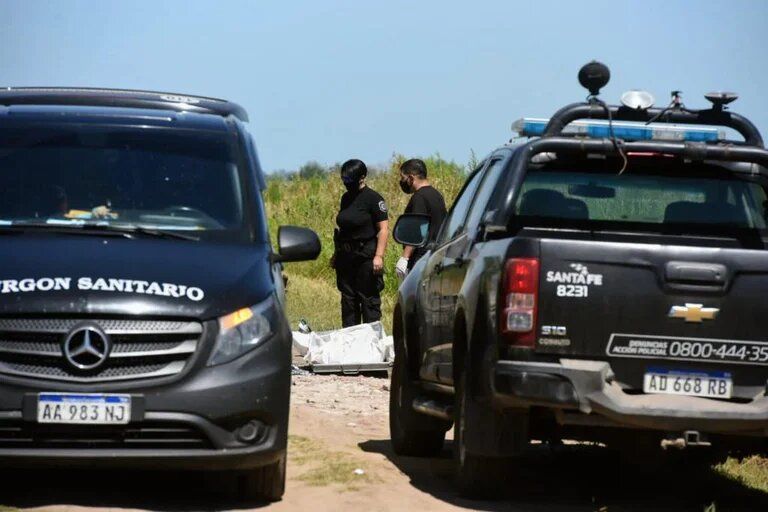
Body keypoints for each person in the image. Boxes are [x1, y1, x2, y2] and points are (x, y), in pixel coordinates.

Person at [332, 159, 389, 327]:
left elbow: (384, 229)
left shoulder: (374, 199)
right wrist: (337, 254)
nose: (346, 183)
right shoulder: (346, 198)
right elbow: (344, 229)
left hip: (366, 257)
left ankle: (372, 341)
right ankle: (350, 341)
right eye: (344, 179)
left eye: (350, 179)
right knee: (348, 301)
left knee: (368, 300)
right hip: (346, 257)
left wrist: (379, 256)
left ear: (362, 177)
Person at [395, 158, 447, 279]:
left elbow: (415, 230)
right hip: (435, 255)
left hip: (421, 258)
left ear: (411, 178)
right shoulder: (436, 194)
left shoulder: (419, 197)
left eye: (403, 178)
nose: (402, 181)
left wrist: (404, 258)